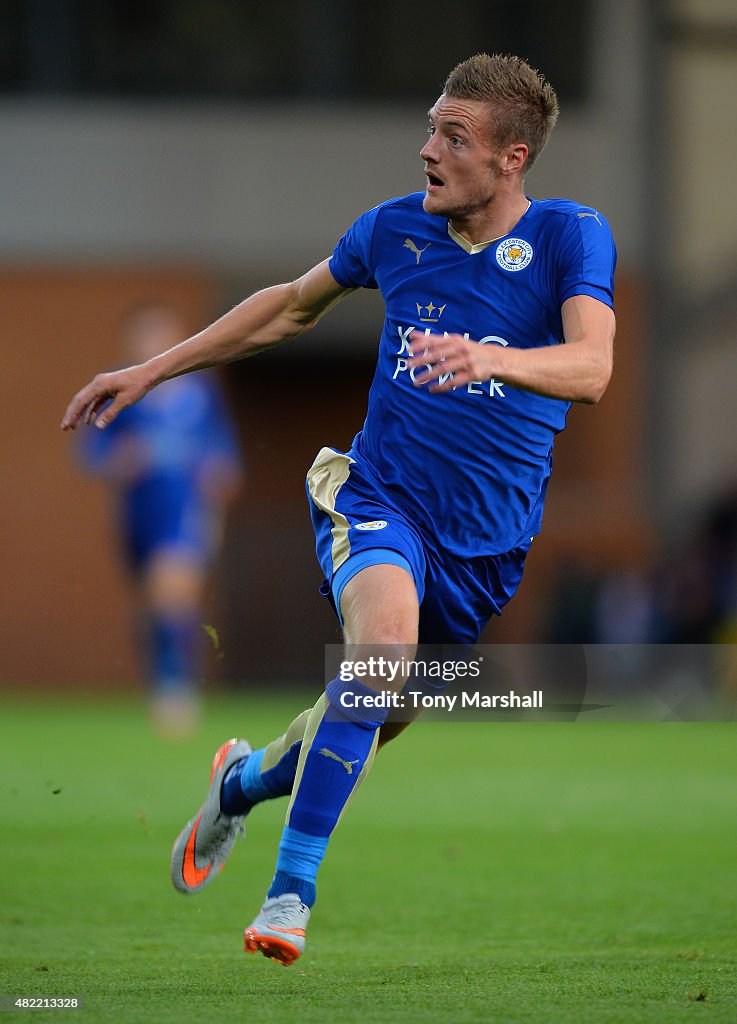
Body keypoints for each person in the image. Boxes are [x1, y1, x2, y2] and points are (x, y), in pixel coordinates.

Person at [61, 54, 616, 964]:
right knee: (382, 653)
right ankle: (291, 892)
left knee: (377, 706)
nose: (427, 149)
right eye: (431, 126)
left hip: (487, 548)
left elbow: (592, 368)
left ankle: (238, 785)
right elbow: (287, 308)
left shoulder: (569, 236)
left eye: (454, 136)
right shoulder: (392, 231)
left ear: (512, 159)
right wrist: (151, 371)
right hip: (376, 497)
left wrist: (493, 359)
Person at [76, 301, 244, 737]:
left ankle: (177, 691)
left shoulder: (199, 393)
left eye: (163, 335)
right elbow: (92, 453)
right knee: (152, 606)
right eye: (146, 335)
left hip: (185, 510)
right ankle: (161, 680)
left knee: (174, 593)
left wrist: (218, 470)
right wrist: (122, 459)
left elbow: (224, 452)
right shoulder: (122, 392)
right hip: (138, 514)